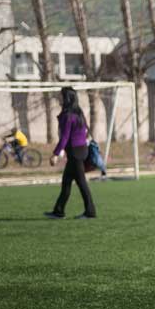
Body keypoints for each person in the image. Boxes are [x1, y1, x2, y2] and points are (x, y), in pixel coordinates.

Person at [45, 86, 96, 219]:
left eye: (61, 96)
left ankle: (90, 212)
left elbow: (65, 137)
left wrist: (55, 154)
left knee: (81, 183)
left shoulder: (68, 116)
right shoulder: (78, 113)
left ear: (67, 98)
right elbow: (86, 132)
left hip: (75, 154)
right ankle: (58, 211)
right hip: (80, 151)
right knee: (66, 182)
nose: (59, 98)